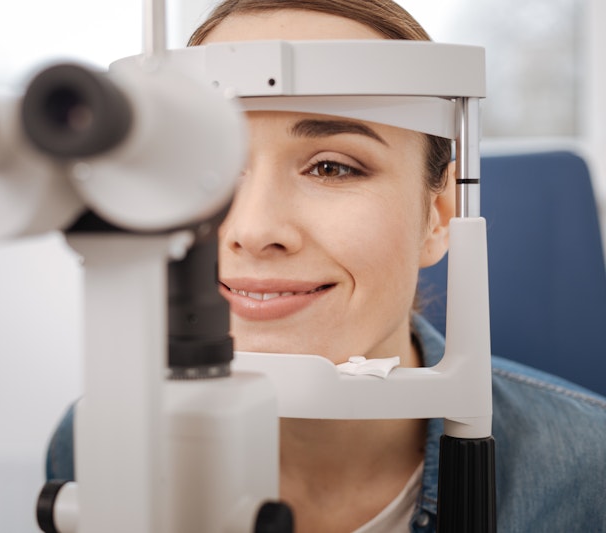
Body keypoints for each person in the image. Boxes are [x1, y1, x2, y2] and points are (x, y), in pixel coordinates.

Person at [47, 1, 606, 531]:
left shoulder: (586, 473)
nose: (254, 229)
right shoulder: (98, 444)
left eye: (332, 168)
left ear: (437, 216)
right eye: (213, 164)